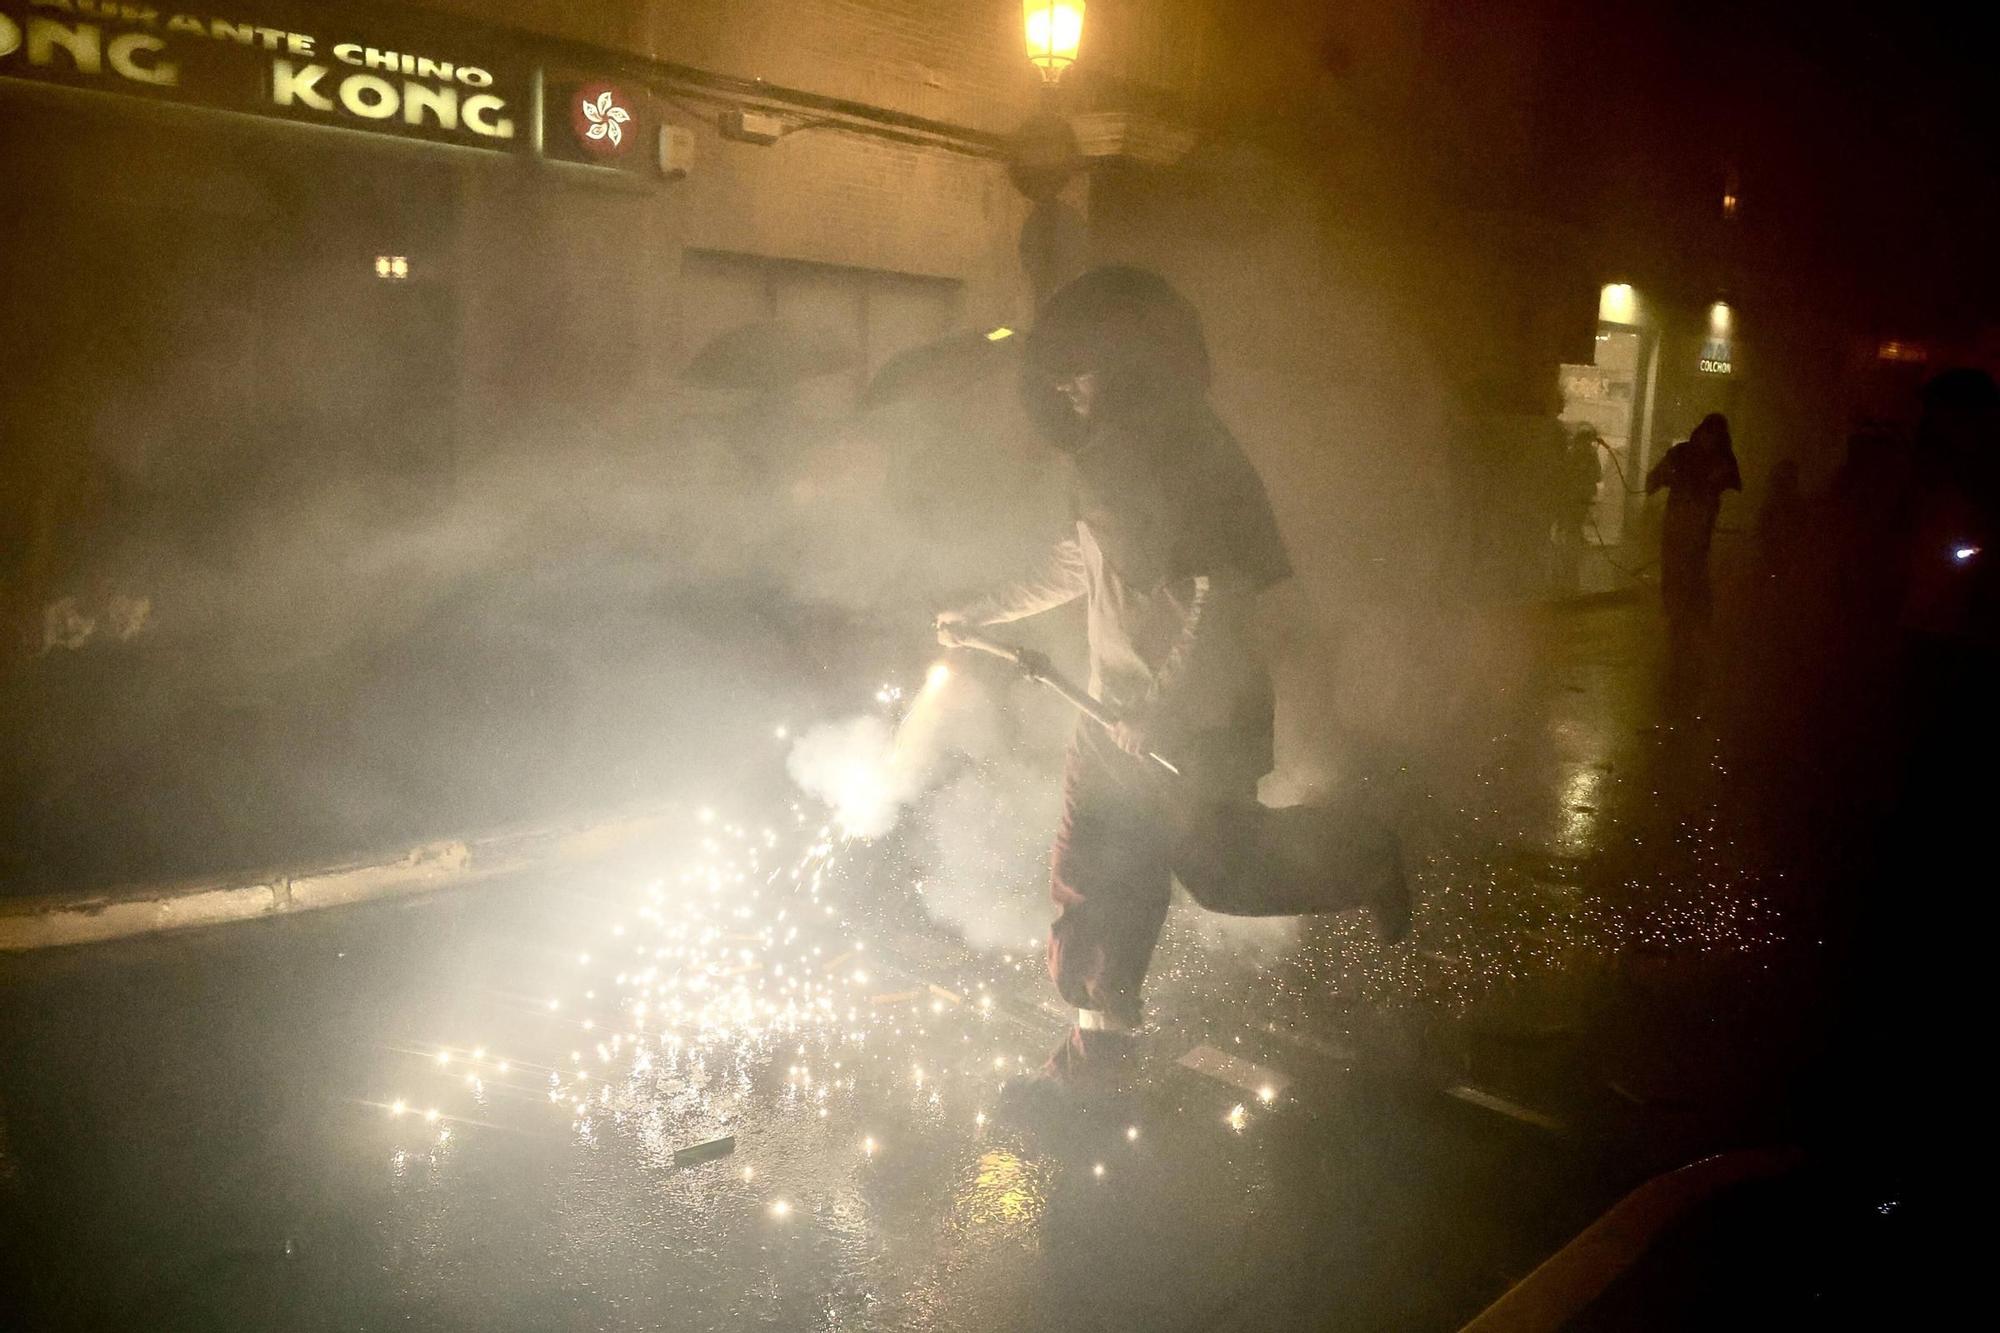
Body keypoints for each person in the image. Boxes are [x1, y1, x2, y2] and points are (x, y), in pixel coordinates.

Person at [934, 266, 1409, 1106]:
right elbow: (1085, 560)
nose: (1065, 388)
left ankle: (1363, 854)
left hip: (1186, 719)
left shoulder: (1177, 453)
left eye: (1079, 370)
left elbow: (1211, 592)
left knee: (1221, 870)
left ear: (1122, 366)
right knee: (1099, 880)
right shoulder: (1111, 455)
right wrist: (986, 612)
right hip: (1117, 719)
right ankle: (1096, 1068)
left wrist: (1157, 710)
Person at [1645, 413, 1741, 695]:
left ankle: (1691, 630)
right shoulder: (1682, 454)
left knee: (1693, 578)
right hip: (1676, 530)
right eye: (1706, 433)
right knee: (1676, 577)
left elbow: (1733, 483)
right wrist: (1662, 479)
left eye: (1714, 435)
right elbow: (1655, 478)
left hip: (1698, 535)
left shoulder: (1722, 460)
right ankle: (1681, 627)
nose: (1708, 439)